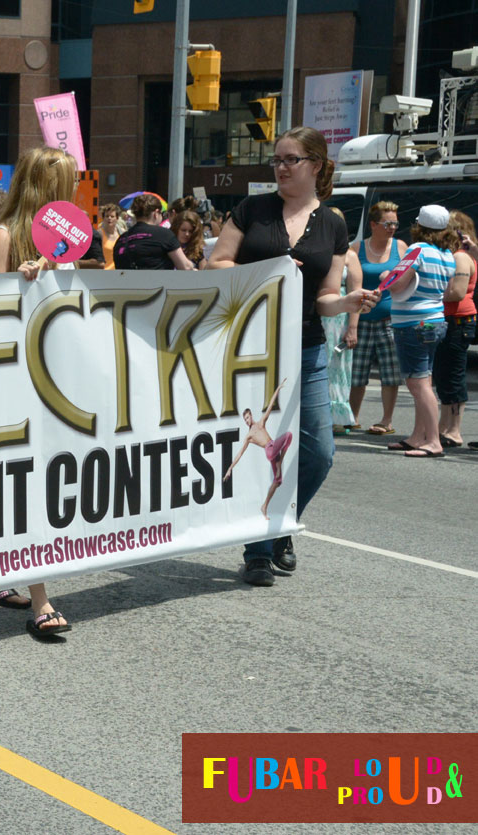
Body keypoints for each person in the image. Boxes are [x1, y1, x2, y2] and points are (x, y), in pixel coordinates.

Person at [207, 126, 378, 586]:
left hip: (307, 347)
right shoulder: (253, 209)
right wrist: (268, 271)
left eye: (291, 160)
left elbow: (324, 295)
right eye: (277, 160)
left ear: (316, 166)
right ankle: (259, 550)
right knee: (261, 451)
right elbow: (216, 264)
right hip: (253, 350)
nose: (281, 168)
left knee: (319, 453)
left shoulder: (334, 223)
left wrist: (347, 303)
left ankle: (279, 525)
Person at [0, 146, 81, 639]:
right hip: (11, 380)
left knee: (18, 484)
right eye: (67, 186)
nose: (74, 196)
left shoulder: (70, 243)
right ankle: (39, 598)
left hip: (55, 376)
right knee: (27, 484)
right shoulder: (1, 237)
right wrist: (20, 286)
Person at [383, 204, 460, 459]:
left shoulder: (418, 250)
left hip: (412, 323)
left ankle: (433, 441)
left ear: (419, 226)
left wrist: (387, 274)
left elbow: (397, 283)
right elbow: (446, 290)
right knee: (424, 381)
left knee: (418, 383)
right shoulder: (448, 254)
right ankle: (418, 437)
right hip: (435, 320)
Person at [349, 201, 406, 436]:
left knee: (390, 373)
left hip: (390, 320)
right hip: (361, 320)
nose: (392, 227)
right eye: (387, 223)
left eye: (395, 223)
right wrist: (351, 326)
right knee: (357, 373)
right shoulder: (356, 249)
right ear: (373, 224)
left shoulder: (401, 248)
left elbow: (409, 281)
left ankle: (386, 420)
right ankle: (352, 417)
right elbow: (352, 287)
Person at [434, 210, 476, 447]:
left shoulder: (461, 256)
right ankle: (444, 425)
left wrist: (430, 294)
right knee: (444, 375)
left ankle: (455, 430)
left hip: (458, 321)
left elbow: (457, 292)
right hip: (452, 320)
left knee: (453, 376)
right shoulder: (458, 254)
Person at [224, 378, 290, 519]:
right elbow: (240, 453)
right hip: (270, 450)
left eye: (248, 418)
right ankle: (279, 464)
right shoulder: (249, 435)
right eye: (245, 420)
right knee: (288, 435)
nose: (247, 421)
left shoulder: (260, 423)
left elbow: (270, 407)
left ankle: (264, 505)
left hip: (274, 450)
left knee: (278, 482)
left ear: (251, 416)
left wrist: (278, 389)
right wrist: (230, 468)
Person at [320, 206, 359, 434]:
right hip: (317, 316)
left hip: (341, 318)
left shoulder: (350, 255)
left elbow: (357, 292)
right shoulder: (316, 250)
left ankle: (337, 416)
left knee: (338, 365)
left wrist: (352, 328)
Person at [113, 195, 194, 270]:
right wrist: (193, 266)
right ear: (156, 213)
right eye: (161, 213)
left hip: (125, 285)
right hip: (158, 285)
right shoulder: (165, 235)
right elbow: (185, 267)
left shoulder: (121, 239)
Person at [91, 202, 123, 270]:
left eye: (112, 216)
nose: (109, 218)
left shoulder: (122, 234)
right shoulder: (99, 234)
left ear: (117, 218)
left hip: (118, 272)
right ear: (103, 218)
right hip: (104, 272)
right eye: (107, 216)